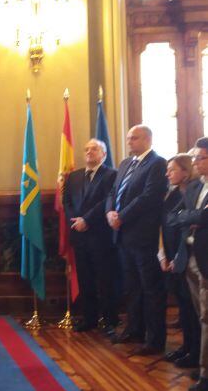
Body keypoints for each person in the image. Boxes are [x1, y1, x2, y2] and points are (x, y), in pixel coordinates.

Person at [106, 125, 168, 355]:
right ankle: (135, 329)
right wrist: (109, 212)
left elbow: (149, 197)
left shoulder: (157, 163)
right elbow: (113, 192)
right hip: (123, 235)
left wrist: (122, 216)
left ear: (148, 139)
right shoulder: (125, 164)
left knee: (150, 288)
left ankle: (154, 339)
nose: (129, 141)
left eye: (135, 138)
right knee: (132, 286)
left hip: (143, 236)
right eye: (128, 137)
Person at [63, 139, 118, 332]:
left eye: (94, 149)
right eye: (86, 149)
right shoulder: (74, 177)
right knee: (85, 278)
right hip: (79, 235)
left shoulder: (112, 175)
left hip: (100, 234)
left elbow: (106, 202)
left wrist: (86, 220)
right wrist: (76, 221)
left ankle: (110, 320)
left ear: (103, 154)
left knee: (105, 279)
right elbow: (67, 202)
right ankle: (89, 318)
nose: (89, 152)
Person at [174, 138, 208, 391]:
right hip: (192, 256)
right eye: (195, 158)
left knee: (206, 318)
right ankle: (202, 364)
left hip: (205, 261)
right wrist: (193, 218)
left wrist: (193, 218)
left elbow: (201, 217)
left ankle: (206, 375)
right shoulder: (198, 186)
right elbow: (182, 217)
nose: (195, 162)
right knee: (200, 316)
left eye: (200, 158)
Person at [159, 154, 200, 369]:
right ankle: (187, 347)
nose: (167, 174)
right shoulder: (175, 193)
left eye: (172, 170)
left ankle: (195, 352)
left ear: (185, 171)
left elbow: (188, 223)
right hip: (174, 252)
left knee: (194, 310)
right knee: (184, 307)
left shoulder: (194, 190)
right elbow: (171, 220)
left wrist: (177, 256)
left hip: (186, 255)